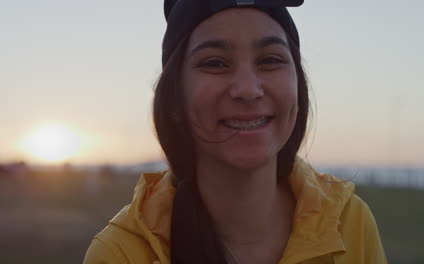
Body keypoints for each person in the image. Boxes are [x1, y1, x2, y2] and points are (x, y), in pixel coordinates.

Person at [84, 0, 387, 263]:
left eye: (270, 60)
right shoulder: (121, 254)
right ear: (174, 99)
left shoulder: (349, 224)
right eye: (215, 63)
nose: (248, 89)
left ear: (298, 86)